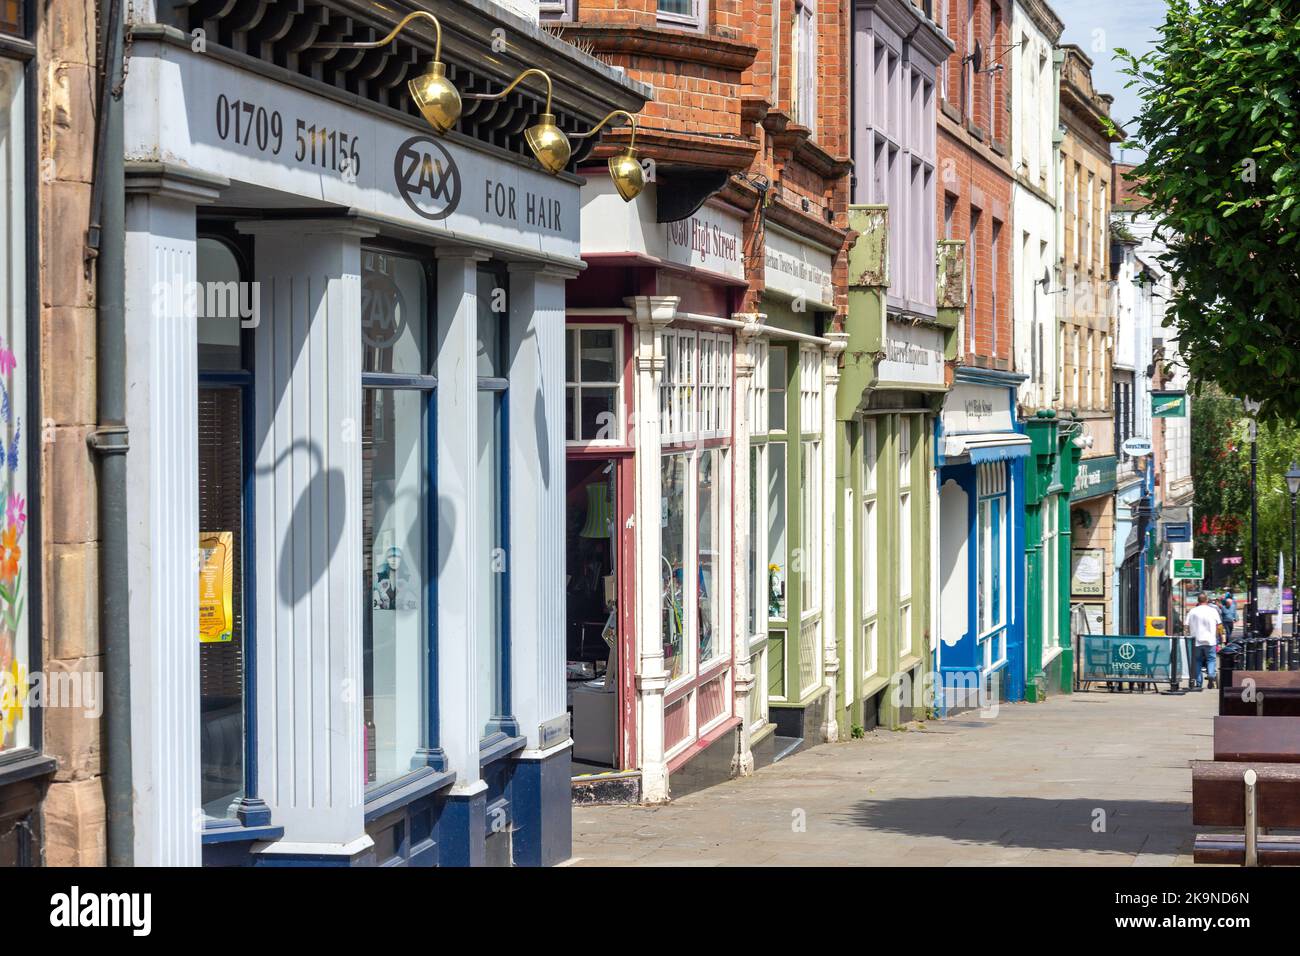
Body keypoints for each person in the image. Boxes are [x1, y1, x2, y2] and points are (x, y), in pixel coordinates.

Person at [1186, 591, 1224, 690]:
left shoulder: (1192, 611)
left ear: (1198, 600)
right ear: (1207, 600)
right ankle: (1211, 675)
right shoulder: (1213, 611)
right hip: (1210, 640)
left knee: (1197, 661)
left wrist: (1188, 635)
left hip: (1196, 641)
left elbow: (1186, 626)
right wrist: (1221, 637)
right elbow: (1219, 626)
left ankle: (1199, 683)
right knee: (1211, 659)